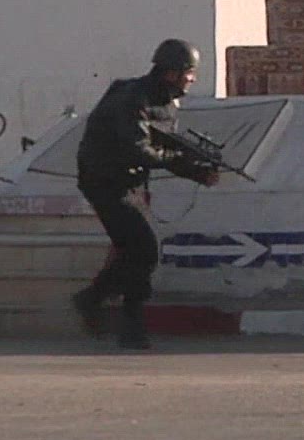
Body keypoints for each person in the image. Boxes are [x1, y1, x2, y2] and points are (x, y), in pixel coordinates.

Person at [70, 39, 221, 351]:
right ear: (171, 73)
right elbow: (140, 150)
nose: (192, 79)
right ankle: (126, 322)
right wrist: (184, 161)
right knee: (143, 249)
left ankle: (94, 299)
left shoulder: (163, 102)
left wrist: (197, 170)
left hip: (127, 182)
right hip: (104, 181)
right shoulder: (133, 98)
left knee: (135, 250)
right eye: (189, 73)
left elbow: (164, 144)